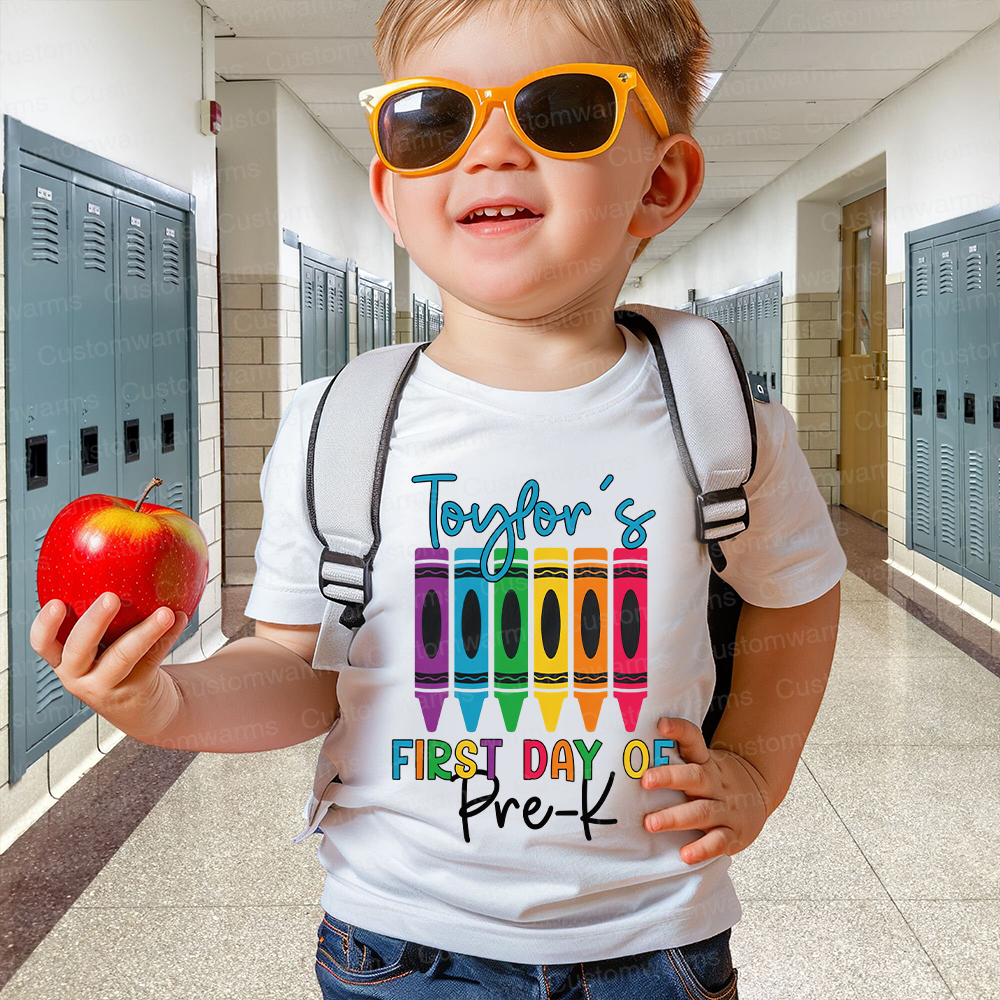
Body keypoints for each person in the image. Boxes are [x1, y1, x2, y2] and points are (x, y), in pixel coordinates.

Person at [31, 1, 847, 996]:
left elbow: (797, 591)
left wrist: (756, 768)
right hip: (400, 944)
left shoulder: (718, 419)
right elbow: (296, 670)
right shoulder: (337, 427)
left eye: (562, 110)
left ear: (660, 182)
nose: (491, 148)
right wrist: (166, 703)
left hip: (655, 938)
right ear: (391, 187)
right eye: (434, 120)